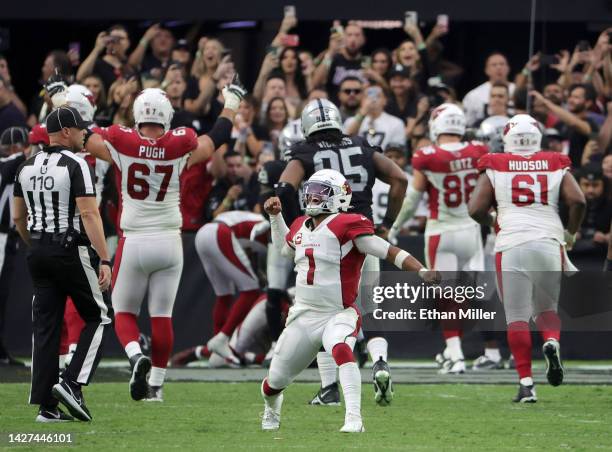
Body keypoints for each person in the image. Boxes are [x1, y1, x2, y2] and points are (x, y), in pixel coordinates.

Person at [81, 76, 247, 402]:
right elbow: (217, 138)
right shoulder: (179, 146)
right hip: (170, 241)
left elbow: (82, 137)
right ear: (167, 115)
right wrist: (233, 101)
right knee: (162, 315)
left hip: (134, 239)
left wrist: (60, 101)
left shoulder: (120, 143)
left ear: (137, 113)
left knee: (124, 312)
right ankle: (156, 385)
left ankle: (134, 355)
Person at [260, 169, 437, 433]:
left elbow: (387, 250)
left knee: (342, 350)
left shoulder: (347, 224)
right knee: (273, 382)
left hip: (339, 312)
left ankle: (354, 419)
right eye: (311, 191)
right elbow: (285, 250)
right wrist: (276, 217)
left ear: (338, 197)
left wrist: (421, 270)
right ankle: (271, 410)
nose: (312, 197)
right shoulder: (299, 224)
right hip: (304, 315)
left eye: (320, 193)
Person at [275, 98, 408, 406]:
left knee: (324, 313)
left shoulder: (305, 152)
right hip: (363, 237)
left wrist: (299, 223)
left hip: (326, 242)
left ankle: (329, 388)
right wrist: (387, 224)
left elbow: (284, 188)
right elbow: (400, 179)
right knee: (370, 310)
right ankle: (379, 362)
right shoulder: (361, 144)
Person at [469, 113, 586, 402]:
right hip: (548, 239)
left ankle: (526, 384)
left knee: (517, 317)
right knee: (546, 311)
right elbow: (579, 201)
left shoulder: (495, 162)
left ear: (507, 137)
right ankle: (550, 341)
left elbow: (474, 209)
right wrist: (570, 233)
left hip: (511, 242)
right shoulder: (555, 161)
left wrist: (495, 219)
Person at [12, 106, 113, 422]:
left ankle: (46, 406)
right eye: (82, 129)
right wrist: (105, 258)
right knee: (99, 316)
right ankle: (71, 382)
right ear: (66, 131)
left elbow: (18, 217)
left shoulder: (25, 166)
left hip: (37, 251)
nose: (85, 134)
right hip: (68, 248)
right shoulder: (76, 164)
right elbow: (89, 214)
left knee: (46, 327)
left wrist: (36, 246)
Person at [389, 103, 489, 374]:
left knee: (446, 297)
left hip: (441, 232)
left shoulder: (427, 155)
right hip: (471, 230)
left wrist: (395, 225)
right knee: (467, 295)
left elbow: (413, 199)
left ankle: (455, 355)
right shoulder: (479, 151)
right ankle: (454, 350)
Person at [0, 127, 30, 366]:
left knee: (4, 294)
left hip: (8, 237)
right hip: (0, 236)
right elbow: (12, 163)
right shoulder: (10, 163)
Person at [531, 84, 599, 167]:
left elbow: (574, 123)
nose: (571, 100)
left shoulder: (590, 124)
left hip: (579, 172)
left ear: (588, 103)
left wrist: (545, 102)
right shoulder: (561, 124)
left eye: (576, 97)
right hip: (561, 171)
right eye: (570, 96)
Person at [312, 22, 367, 103]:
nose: (353, 39)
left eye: (357, 35)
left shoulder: (368, 63)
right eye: (349, 35)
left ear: (363, 39)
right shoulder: (333, 59)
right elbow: (316, 83)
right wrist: (330, 52)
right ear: (343, 38)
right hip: (335, 110)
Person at [344, 84, 407, 150]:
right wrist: (363, 113)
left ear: (385, 101)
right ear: (362, 100)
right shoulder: (351, 121)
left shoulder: (396, 123)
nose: (373, 100)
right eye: (368, 96)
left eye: (377, 96)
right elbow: (346, 141)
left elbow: (397, 151)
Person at [462, 52, 515, 127]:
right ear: (486, 70)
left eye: (502, 64)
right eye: (494, 65)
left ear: (508, 68)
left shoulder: (517, 91)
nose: (499, 67)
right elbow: (468, 123)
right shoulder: (473, 95)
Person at [76, 25, 131, 92]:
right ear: (107, 41)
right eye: (113, 38)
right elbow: (80, 77)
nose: (117, 42)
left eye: (121, 38)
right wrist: (97, 49)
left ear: (128, 43)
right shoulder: (98, 64)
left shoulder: (131, 64)